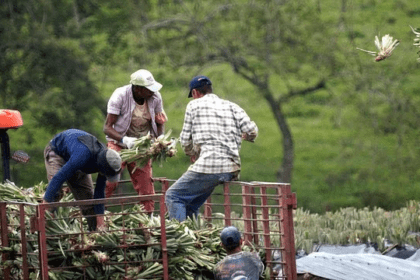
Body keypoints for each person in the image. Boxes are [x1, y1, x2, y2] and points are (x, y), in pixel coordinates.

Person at [165, 75, 258, 222]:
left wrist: (192, 153)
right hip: (231, 168)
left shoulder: (193, 105)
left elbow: (185, 140)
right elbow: (252, 130)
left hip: (209, 166)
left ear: (195, 93)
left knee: (173, 196)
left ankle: (180, 239)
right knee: (190, 203)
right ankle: (194, 236)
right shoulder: (232, 106)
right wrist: (246, 137)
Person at [103, 69, 167, 213]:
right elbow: (107, 128)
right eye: (148, 89)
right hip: (119, 142)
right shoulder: (120, 96)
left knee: (146, 186)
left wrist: (160, 138)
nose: (152, 92)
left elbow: (159, 121)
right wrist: (125, 140)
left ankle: (146, 221)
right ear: (138, 89)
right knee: (111, 180)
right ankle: (97, 212)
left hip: (142, 146)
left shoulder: (155, 97)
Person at [43, 129, 122, 231]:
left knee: (88, 201)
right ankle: (47, 229)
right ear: (102, 168)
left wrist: (100, 222)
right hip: (58, 153)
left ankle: (94, 234)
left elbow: (99, 193)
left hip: (77, 159)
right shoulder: (82, 156)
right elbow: (59, 177)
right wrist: (45, 204)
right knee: (55, 192)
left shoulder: (105, 160)